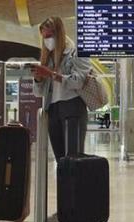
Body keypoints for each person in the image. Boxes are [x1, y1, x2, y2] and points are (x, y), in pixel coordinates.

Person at [33, 16, 92, 161]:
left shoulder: (75, 53)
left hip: (73, 106)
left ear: (59, 33)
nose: (47, 40)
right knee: (60, 159)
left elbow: (79, 81)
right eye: (44, 37)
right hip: (53, 109)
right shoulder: (48, 58)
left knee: (73, 158)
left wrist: (52, 75)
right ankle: (63, 184)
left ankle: (76, 184)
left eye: (50, 35)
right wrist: (38, 78)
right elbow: (38, 92)